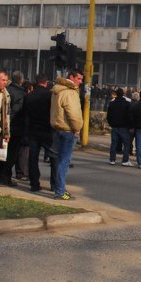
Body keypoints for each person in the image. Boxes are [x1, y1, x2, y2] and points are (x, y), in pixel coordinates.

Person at [50, 69, 84, 200]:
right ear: (71, 77)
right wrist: (77, 128)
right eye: (79, 79)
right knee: (64, 162)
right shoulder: (70, 92)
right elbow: (73, 113)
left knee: (58, 160)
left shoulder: (57, 90)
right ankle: (60, 191)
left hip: (57, 128)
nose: (80, 82)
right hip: (68, 130)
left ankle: (58, 187)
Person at [24, 73, 57, 193]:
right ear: (45, 82)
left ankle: (34, 184)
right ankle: (54, 184)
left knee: (33, 158)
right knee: (54, 157)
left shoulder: (29, 96)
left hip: (33, 130)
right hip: (47, 130)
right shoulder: (50, 96)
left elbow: (25, 114)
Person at [0, 70, 27, 181]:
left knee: (2, 152)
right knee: (12, 154)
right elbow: (16, 111)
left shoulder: (6, 90)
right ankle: (5, 176)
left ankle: (1, 175)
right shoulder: (21, 94)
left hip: (3, 125)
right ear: (21, 80)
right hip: (15, 127)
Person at [107, 88, 133, 166]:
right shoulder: (127, 103)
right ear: (123, 94)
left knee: (114, 143)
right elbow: (129, 116)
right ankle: (125, 160)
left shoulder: (112, 103)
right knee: (126, 143)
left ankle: (112, 159)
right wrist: (129, 125)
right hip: (124, 126)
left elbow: (109, 116)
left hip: (114, 126)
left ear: (116, 94)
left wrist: (111, 124)